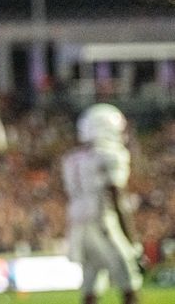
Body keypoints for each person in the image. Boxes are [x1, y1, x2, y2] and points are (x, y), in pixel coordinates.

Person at [61, 103, 143, 304]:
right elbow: (116, 196)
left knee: (91, 276)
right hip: (103, 221)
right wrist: (130, 236)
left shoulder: (72, 159)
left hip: (79, 224)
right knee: (128, 275)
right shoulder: (111, 154)